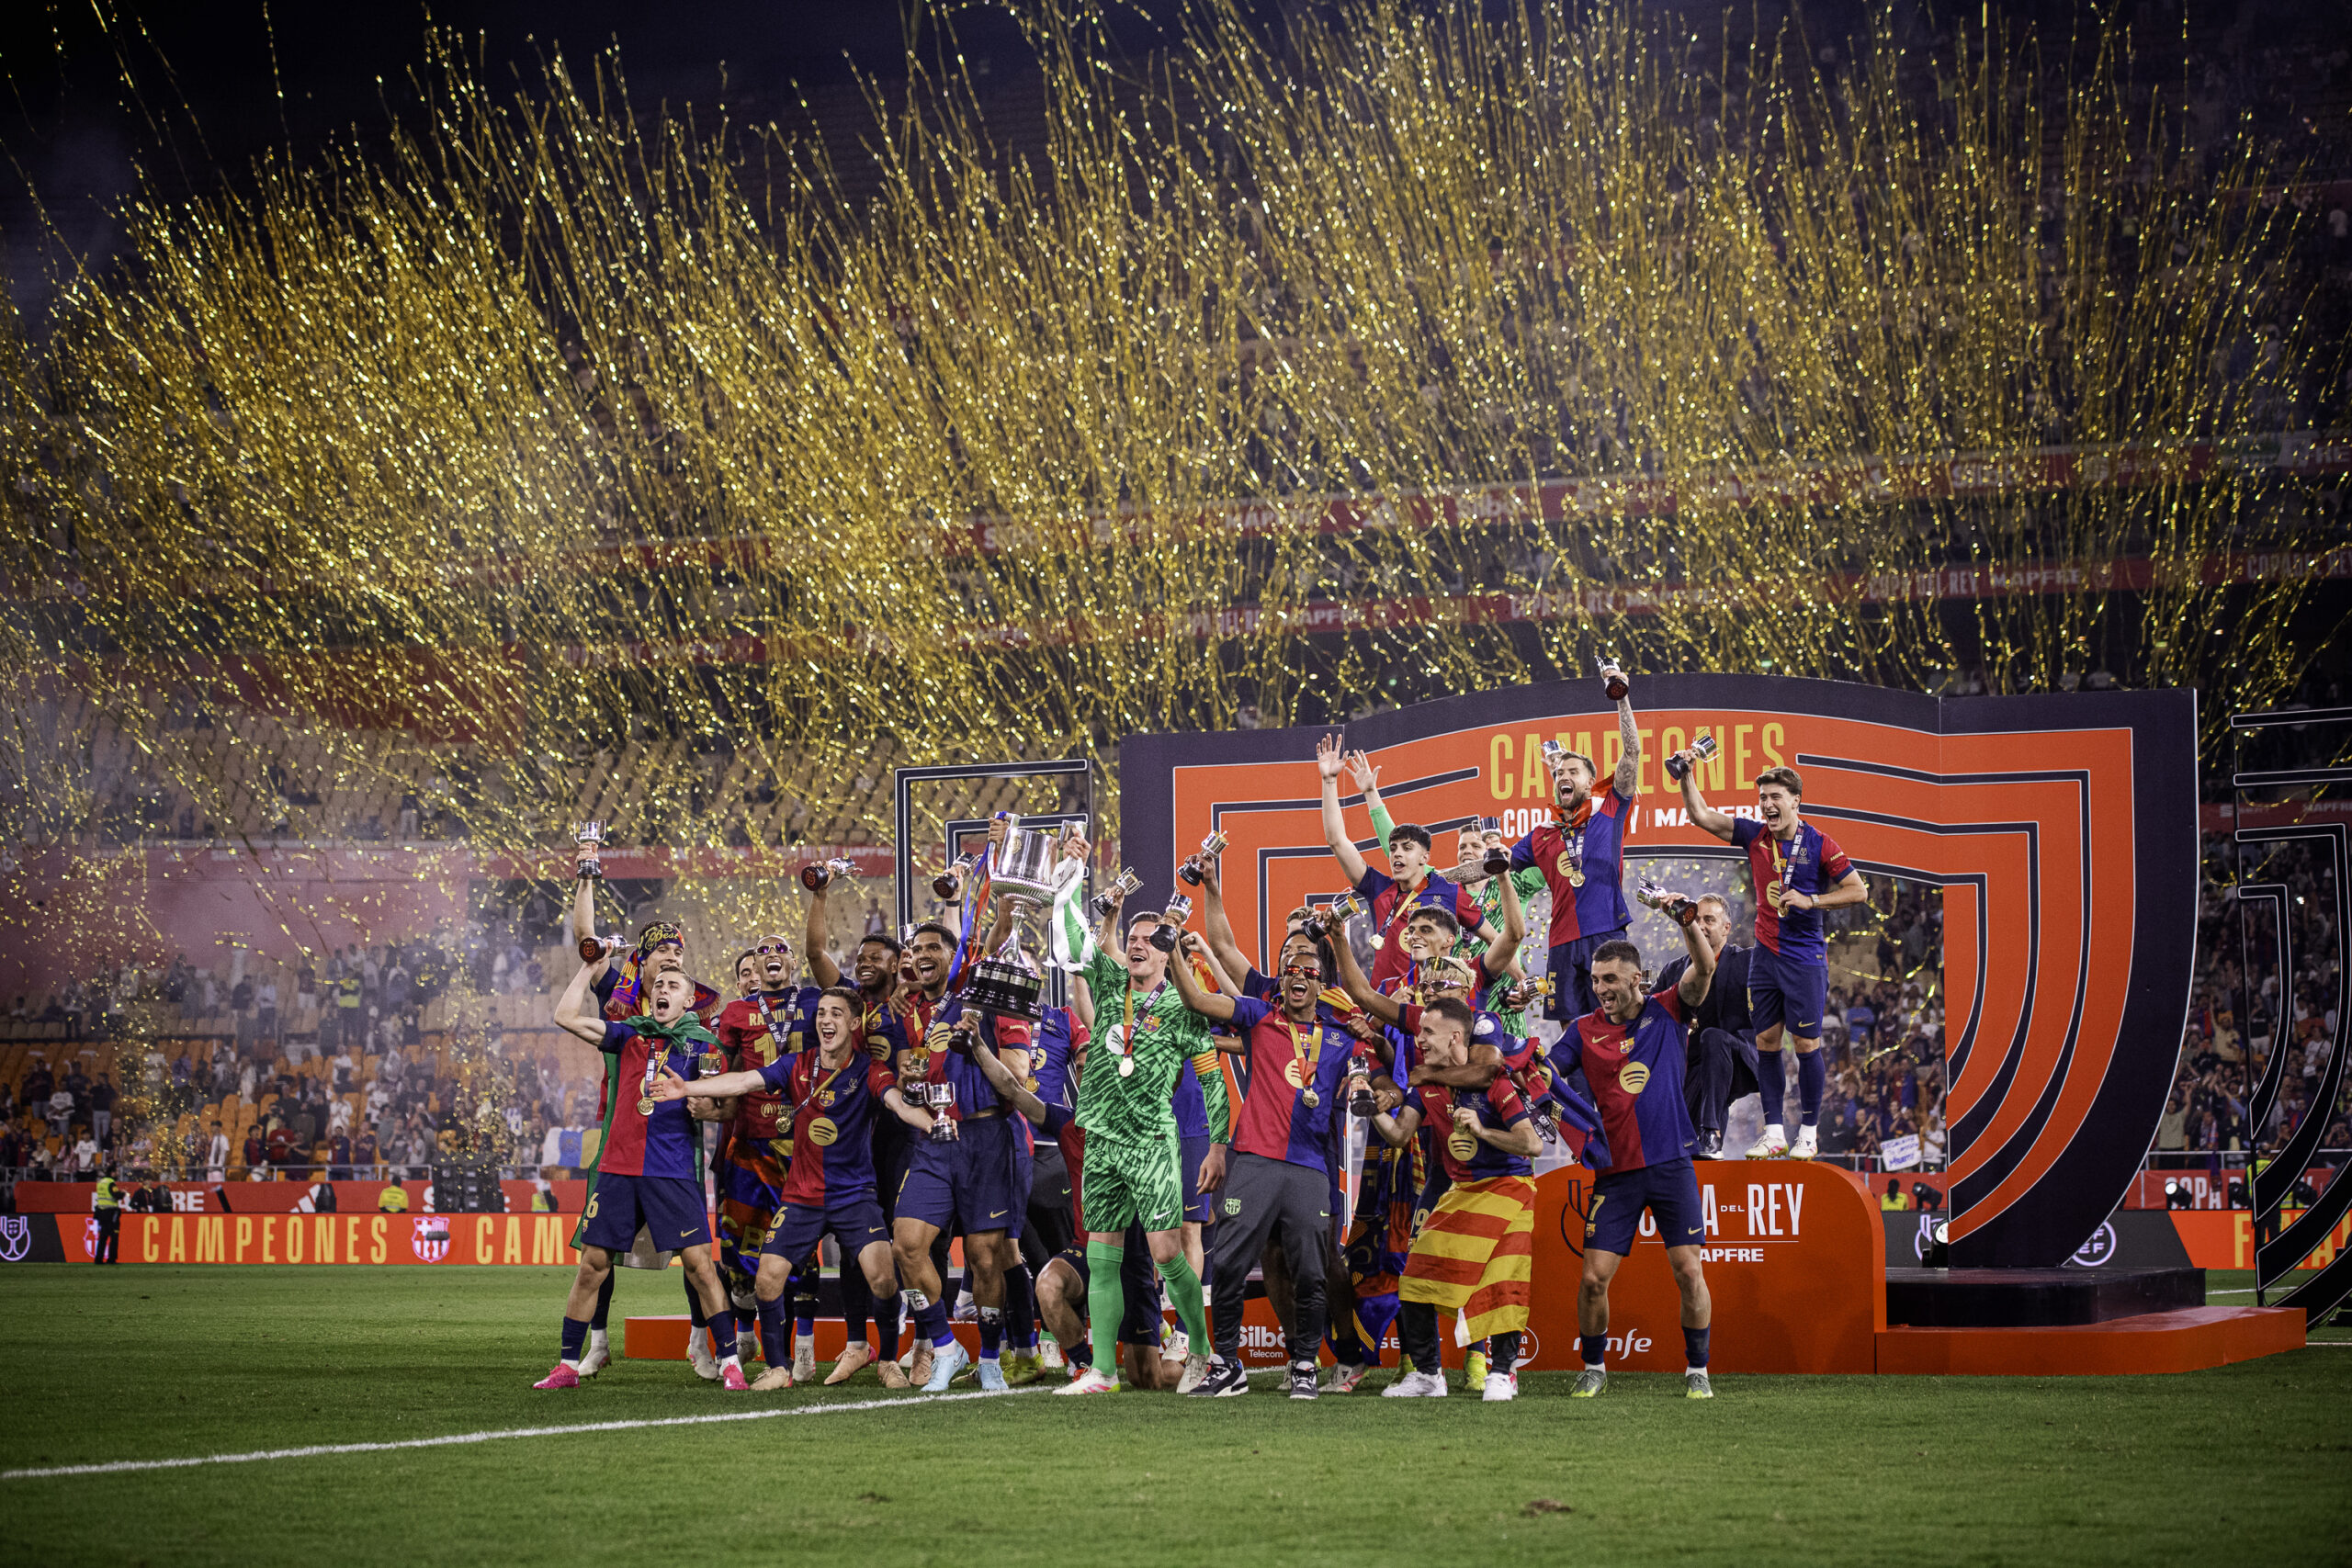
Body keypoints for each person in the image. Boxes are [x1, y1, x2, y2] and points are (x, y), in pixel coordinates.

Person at [653, 987, 933, 1391]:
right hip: (802, 1197)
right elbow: (743, 1081)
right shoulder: (797, 1064)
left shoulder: (869, 1070)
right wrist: (689, 1089)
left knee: (883, 1279)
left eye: (836, 1013)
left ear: (854, 1024)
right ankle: (778, 1368)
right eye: (821, 1013)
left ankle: (888, 1360)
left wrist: (932, 1123)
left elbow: (898, 1104)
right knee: (767, 1279)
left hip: (855, 1196)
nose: (826, 1020)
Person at [1166, 941, 1360, 1400]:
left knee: (1310, 1272)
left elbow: (1387, 1062)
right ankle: (1227, 1366)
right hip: (1253, 1161)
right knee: (1229, 1265)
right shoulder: (1258, 1015)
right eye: (1290, 969)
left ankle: (1305, 1365)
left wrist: (1373, 1061)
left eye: (1309, 971)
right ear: (1281, 979)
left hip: (1310, 1168)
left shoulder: (1341, 1037)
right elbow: (1197, 1000)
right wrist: (1171, 949)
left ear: (1321, 984)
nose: (1298, 975)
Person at [539, 960, 745, 1391]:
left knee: (699, 1266)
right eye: (659, 985)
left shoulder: (703, 1044)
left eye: (673, 985)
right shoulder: (629, 1033)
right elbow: (565, 1017)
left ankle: (730, 1363)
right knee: (592, 1266)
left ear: (689, 1000)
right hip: (618, 1169)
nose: (663, 990)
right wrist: (588, 967)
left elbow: (728, 1107)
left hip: (672, 1170)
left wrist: (707, 1108)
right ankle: (566, 1365)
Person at [1555, 908, 1720, 1400]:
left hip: (1671, 1165)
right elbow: (1546, 1073)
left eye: (1610, 979)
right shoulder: (1581, 1030)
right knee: (1592, 1280)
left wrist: (1687, 922)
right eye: (1595, 980)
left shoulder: (1668, 1010)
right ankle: (1593, 1367)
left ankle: (1697, 1371)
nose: (1600, 988)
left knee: (1689, 1271)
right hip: (1616, 1173)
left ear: (1636, 978)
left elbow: (1705, 968)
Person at [1059, 897, 1219, 1394]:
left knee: (1167, 1255)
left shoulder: (1184, 1008)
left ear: (1167, 952)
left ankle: (1200, 1352)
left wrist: (1217, 1146)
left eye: (1149, 940)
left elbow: (1212, 1080)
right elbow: (1077, 942)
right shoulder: (1110, 985)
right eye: (1131, 939)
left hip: (1150, 1143)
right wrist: (1069, 886)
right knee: (1101, 1260)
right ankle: (1102, 1371)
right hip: (1102, 1142)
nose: (1137, 946)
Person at [1671, 757, 1869, 1158]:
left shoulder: (1820, 844)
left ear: (1796, 801)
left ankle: (1808, 1133)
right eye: (1762, 797)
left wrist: (1813, 900)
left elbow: (1858, 890)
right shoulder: (1755, 836)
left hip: (1804, 959)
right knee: (1766, 1041)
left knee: (1807, 1044)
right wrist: (1687, 775)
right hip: (1765, 957)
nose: (1767, 804)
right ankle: (1775, 1131)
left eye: (1775, 797)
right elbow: (1700, 815)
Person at [1366, 998, 1544, 1401]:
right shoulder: (1426, 1086)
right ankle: (1429, 1376)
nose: (1420, 1039)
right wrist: (1371, 1110)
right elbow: (1399, 1135)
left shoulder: (1495, 1082)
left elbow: (1531, 1144)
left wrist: (1483, 1131)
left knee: (1503, 1281)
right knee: (1415, 1278)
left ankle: (1501, 1374)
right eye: (1420, 1031)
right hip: (1461, 1191)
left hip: (1509, 1188)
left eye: (1428, 1032)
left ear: (1456, 1037)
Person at [1509, 663, 1643, 1022]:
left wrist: (1621, 696)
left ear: (1589, 782)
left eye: (1572, 772)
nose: (1562, 777)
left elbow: (1631, 754)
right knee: (1571, 1028)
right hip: (1562, 941)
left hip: (1606, 932)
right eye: (1558, 773)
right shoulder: (1542, 833)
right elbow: (1495, 863)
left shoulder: (1609, 810)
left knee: (1617, 1020)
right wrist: (1434, 877)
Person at [709, 935, 817, 1381]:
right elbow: (722, 1068)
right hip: (751, 1145)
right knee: (738, 1250)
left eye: (780, 949)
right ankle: (745, 1323)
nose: (772, 955)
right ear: (753, 963)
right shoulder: (736, 1012)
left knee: (803, 1250)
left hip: (804, 1144)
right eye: (763, 951)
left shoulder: (815, 1001)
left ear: (793, 961)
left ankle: (804, 1345)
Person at [1315, 734, 1494, 995]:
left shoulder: (1450, 892)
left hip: (1433, 1002)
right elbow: (1337, 841)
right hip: (1384, 1006)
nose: (1397, 854)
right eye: (1394, 848)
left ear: (1425, 858)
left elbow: (1496, 940)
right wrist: (1329, 781)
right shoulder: (1379, 888)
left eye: (1407, 848)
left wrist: (1513, 981)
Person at [1651, 895, 1758, 1156]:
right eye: (1696, 919)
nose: (1701, 925)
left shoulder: (1748, 962)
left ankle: (1711, 1131)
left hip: (1738, 1059)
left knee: (1713, 1038)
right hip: (1694, 1068)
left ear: (1726, 928)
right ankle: (1704, 1147)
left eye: (1709, 920)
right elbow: (1648, 1015)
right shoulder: (1673, 970)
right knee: (1680, 1146)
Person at [91, 1164, 122, 1264]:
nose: (118, 1174)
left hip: (101, 1212)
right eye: (116, 1172)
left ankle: (98, 1258)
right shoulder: (111, 1183)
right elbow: (116, 1195)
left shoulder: (100, 1182)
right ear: (112, 1173)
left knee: (103, 1236)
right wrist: (123, 1193)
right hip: (111, 1212)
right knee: (114, 1236)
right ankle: (112, 1259)